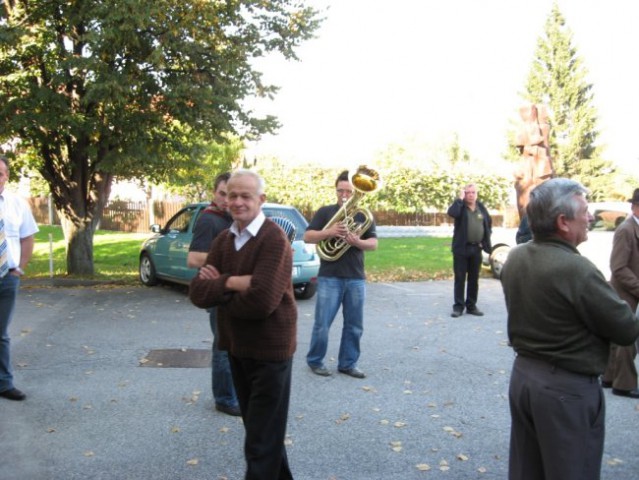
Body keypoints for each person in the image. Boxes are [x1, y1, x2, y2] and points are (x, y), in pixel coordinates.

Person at [501, 178, 639, 480]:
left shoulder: (516, 256)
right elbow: (626, 329)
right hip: (566, 390)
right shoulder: (577, 269)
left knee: (527, 471)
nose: (590, 217)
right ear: (563, 222)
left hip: (524, 378)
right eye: (585, 211)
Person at [189, 170, 296, 480]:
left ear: (260, 200)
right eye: (230, 195)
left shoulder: (273, 239)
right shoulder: (224, 240)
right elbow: (197, 292)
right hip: (236, 347)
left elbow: (263, 301)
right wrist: (235, 282)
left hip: (270, 351)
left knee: (260, 442)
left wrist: (219, 291)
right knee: (262, 429)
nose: (236, 201)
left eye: (245, 196)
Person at [305, 170, 378, 379]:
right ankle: (315, 361)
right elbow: (308, 236)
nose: (345, 195)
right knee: (322, 324)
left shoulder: (363, 214)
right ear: (336, 191)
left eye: (349, 191)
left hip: (356, 277)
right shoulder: (325, 212)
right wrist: (329, 232)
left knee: (354, 325)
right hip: (330, 276)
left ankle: (348, 363)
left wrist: (358, 242)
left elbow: (373, 244)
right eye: (341, 190)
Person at [186, 172, 240, 416]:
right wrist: (231, 258)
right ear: (214, 194)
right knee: (222, 347)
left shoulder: (233, 219)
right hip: (216, 291)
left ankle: (232, 393)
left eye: (230, 194)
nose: (227, 199)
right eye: (222, 194)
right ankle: (224, 398)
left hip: (230, 290)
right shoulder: (210, 219)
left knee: (232, 344)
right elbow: (193, 258)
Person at [0, 155, 39, 401]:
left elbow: (27, 237)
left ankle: (4, 383)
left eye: (1, 173)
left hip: (7, 278)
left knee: (1, 333)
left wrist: (19, 269)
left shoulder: (16, 203)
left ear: (6, 176)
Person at [601, 188, 639, 399]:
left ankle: (609, 377)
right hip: (625, 291)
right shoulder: (626, 229)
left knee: (620, 338)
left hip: (631, 291)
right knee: (627, 338)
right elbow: (618, 267)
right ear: (635, 207)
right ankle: (624, 384)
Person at [447, 183, 492, 317]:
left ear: (476, 194)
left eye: (473, 192)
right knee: (460, 278)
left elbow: (488, 222)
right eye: (468, 192)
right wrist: (459, 200)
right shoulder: (460, 207)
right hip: (462, 248)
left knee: (474, 279)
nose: (471, 195)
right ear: (464, 194)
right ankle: (458, 307)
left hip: (476, 248)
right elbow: (452, 213)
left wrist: (485, 240)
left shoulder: (481, 207)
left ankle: (471, 306)